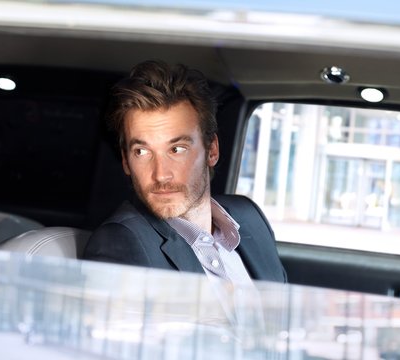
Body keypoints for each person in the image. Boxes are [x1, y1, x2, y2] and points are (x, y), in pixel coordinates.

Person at [83, 60, 287, 285]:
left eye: (177, 149)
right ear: (125, 161)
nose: (161, 175)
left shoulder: (249, 217)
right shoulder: (119, 243)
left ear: (212, 151)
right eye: (142, 151)